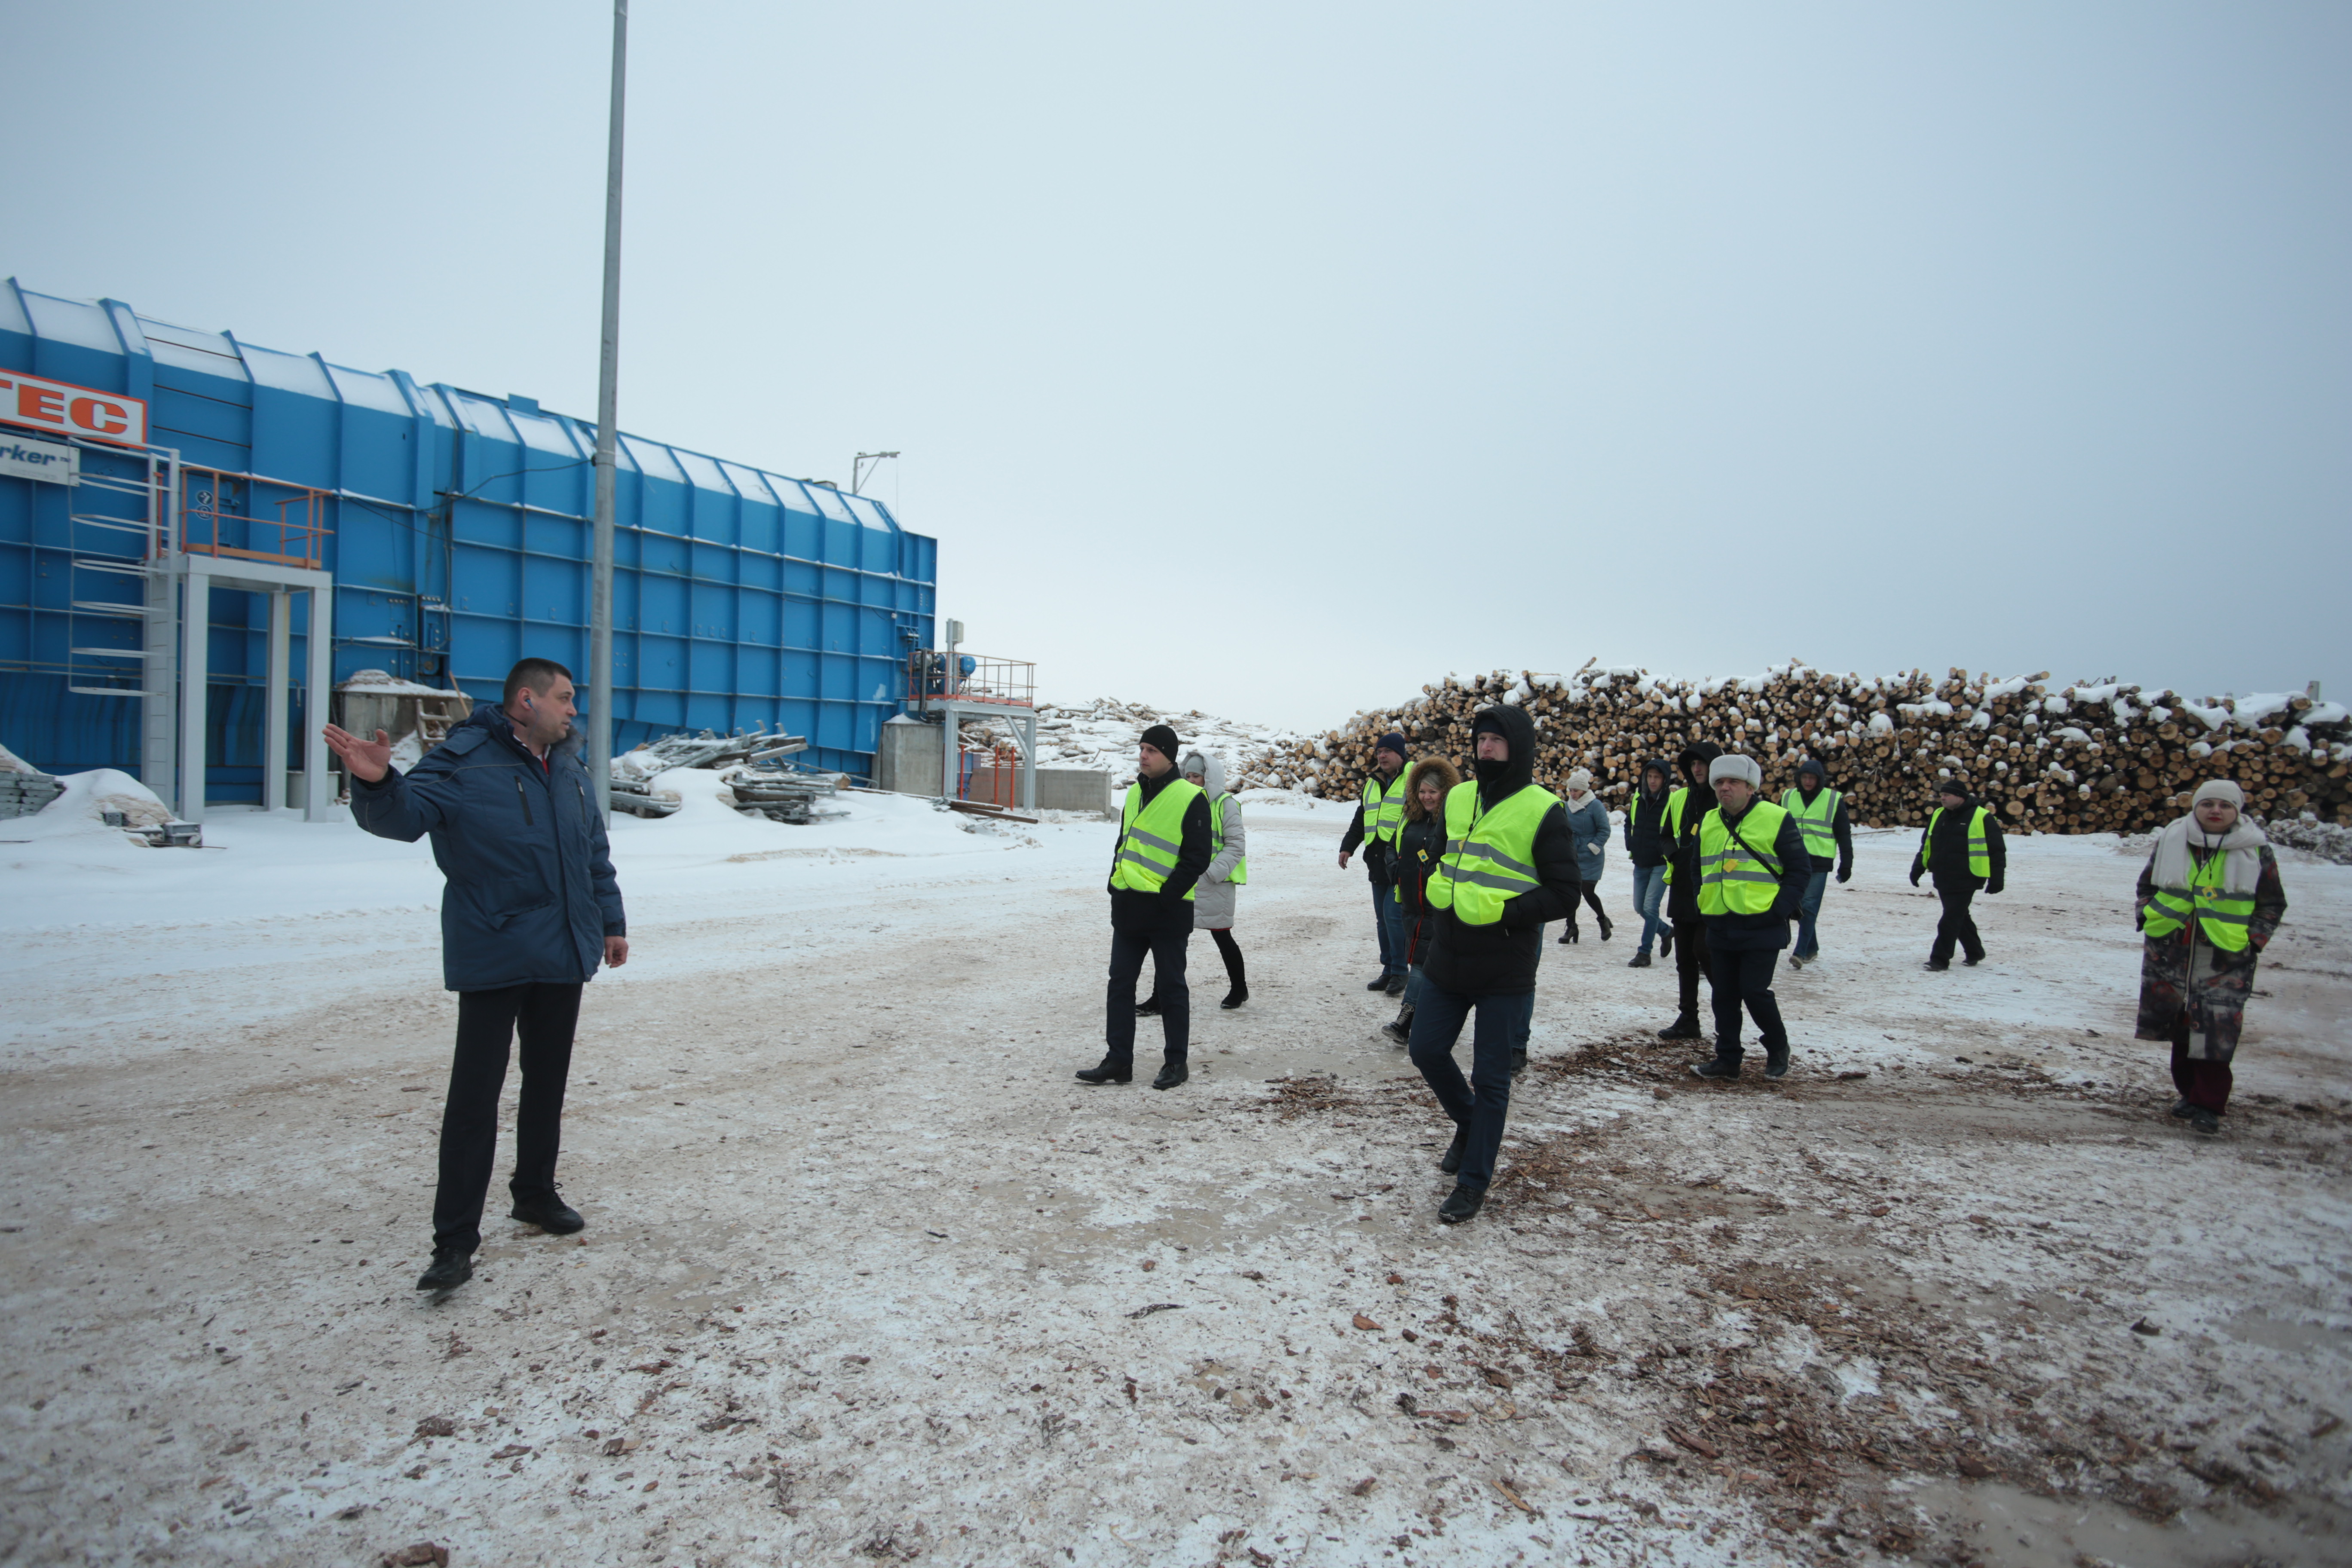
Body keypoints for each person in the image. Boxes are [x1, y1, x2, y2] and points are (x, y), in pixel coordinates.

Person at [324, 657, 628, 1294]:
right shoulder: (464, 761)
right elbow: (406, 818)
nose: (574, 709)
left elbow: (594, 855)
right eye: (565, 698)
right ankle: (455, 1242)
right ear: (527, 700)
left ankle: (534, 1194)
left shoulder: (569, 768)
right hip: (496, 950)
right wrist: (378, 784)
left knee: (546, 1084)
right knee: (474, 1100)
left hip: (563, 952)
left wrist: (611, 922)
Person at [1407, 706, 1580, 1224]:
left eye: (1496, 740)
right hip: (1449, 955)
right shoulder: (1460, 797)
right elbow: (1444, 854)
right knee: (1425, 1049)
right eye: (1481, 738)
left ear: (1518, 748)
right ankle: (1470, 1123)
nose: (1486, 747)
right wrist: (1438, 887)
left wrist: (1505, 912)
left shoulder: (1543, 809)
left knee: (1491, 1078)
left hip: (1505, 964)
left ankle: (1473, 1181)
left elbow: (1565, 893)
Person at [2132, 781, 2288, 1136]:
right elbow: (2147, 885)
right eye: (2208, 804)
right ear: (2196, 808)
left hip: (2226, 956)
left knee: (2217, 1026)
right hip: (2171, 949)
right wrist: (2147, 915)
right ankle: (2189, 1093)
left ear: (2237, 811)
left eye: (2225, 805)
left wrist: (2253, 942)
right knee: (2181, 1022)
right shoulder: (2172, 840)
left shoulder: (2255, 850)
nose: (2216, 811)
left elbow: (2272, 903)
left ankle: (2209, 1104)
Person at [1079, 724, 1211, 1090]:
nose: (1144, 755)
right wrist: (1114, 883)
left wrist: (1166, 897)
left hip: (1168, 911)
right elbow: (1124, 842)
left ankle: (1176, 1063)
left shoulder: (1191, 796)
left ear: (1169, 756)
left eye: (1152, 750)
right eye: (1142, 748)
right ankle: (1118, 1060)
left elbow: (1197, 857)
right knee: (1120, 985)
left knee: (1171, 988)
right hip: (1129, 906)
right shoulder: (1136, 791)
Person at [1682, 754, 1809, 1080]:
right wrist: (1701, 901)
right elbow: (1697, 868)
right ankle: (1728, 1059)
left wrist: (1778, 910)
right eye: (1720, 783)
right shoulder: (1709, 821)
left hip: (1761, 923)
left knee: (1754, 992)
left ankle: (1777, 1047)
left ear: (1750, 788)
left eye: (1733, 782)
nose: (1725, 788)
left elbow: (1799, 871)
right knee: (1723, 995)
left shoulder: (1776, 818)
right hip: (1719, 921)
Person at [1382, 756, 1460, 1045]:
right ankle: (1436, 1019)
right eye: (1422, 791)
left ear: (1445, 792)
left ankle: (1407, 1018)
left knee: (1421, 962)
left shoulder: (1453, 821)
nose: (1427, 797)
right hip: (1410, 903)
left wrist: (1435, 876)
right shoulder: (1410, 816)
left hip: (1436, 905)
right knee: (1423, 960)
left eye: (1433, 792)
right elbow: (1392, 846)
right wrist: (1396, 870)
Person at [1656, 741, 1723, 1039]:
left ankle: (1726, 1016)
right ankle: (1688, 1018)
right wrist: (1675, 855)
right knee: (1684, 958)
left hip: (1714, 888)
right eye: (1692, 764)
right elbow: (1665, 835)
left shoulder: (1724, 799)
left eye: (1702, 763)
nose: (1697, 769)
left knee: (1705, 952)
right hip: (1684, 887)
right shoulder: (1680, 797)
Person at [1339, 733, 1412, 996]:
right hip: (1378, 859)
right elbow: (1362, 818)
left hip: (1403, 859)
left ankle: (1401, 971)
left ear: (1401, 754)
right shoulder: (1373, 782)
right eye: (1379, 751)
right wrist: (1348, 846)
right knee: (1382, 919)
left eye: (1387, 751)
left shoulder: (1414, 778)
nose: (1382, 756)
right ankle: (1389, 969)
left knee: (1394, 916)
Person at [1910, 778, 2006, 969]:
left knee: (1950, 918)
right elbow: (1927, 844)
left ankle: (1940, 959)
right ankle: (1975, 951)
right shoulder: (1938, 814)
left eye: (1947, 795)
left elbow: (1997, 850)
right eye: (1942, 795)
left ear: (1960, 797)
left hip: (1968, 877)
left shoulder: (1982, 816)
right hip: (1943, 875)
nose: (1943, 798)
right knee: (1959, 916)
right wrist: (1918, 868)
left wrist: (1997, 879)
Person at [1779, 757, 1854, 969]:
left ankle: (1801, 952)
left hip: (1819, 862)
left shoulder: (1833, 800)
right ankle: (1812, 948)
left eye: (1812, 778)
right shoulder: (1787, 797)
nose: (1808, 782)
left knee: (1809, 906)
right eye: (1805, 777)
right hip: (1792, 860)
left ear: (1820, 779)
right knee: (1797, 905)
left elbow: (1844, 834)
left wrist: (1847, 863)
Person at [1622, 758, 1675, 968]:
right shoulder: (1638, 798)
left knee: (1650, 908)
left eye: (1657, 777)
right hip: (1641, 861)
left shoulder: (1672, 801)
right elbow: (1629, 822)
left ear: (1665, 780)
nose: (1653, 781)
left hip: (1661, 863)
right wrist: (1631, 843)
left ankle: (1644, 953)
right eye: (1650, 776)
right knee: (1640, 907)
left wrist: (1668, 852)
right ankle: (1666, 931)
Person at [1555, 769, 1615, 944]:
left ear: (1583, 790)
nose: (1572, 794)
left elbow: (1605, 830)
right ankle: (1571, 926)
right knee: (1571, 891)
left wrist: (1593, 846)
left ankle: (1603, 920)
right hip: (1573, 853)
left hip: (1591, 855)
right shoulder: (1567, 806)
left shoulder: (1595, 805)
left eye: (1576, 790)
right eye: (1570, 790)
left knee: (1587, 891)